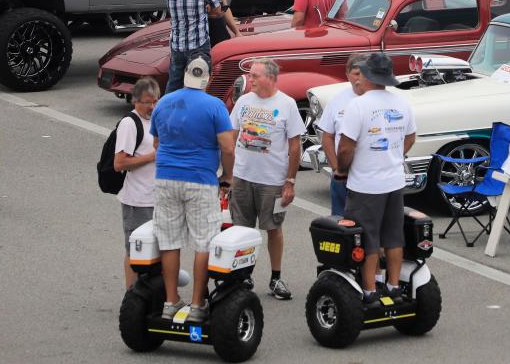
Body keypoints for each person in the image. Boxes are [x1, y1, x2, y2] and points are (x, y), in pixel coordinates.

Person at [150, 56, 235, 322]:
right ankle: (198, 305)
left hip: (166, 177)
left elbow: (156, 144)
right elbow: (228, 147)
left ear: (185, 75)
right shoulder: (215, 106)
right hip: (200, 179)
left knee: (170, 241)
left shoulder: (163, 102)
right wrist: (227, 176)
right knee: (204, 242)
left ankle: (170, 300)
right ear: (206, 79)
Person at [336, 52, 416, 305]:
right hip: (393, 180)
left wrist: (342, 169)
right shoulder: (402, 103)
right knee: (393, 237)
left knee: (368, 238)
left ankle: (370, 290)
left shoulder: (357, 105)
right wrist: (393, 155)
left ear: (368, 75)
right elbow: (411, 137)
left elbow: (346, 147)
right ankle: (393, 285)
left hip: (365, 184)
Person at [229, 58, 303, 301]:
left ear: (270, 78)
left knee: (273, 228)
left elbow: (295, 146)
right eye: (250, 76)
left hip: (272, 181)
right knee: (241, 229)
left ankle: (275, 277)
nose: (249, 80)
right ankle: (243, 275)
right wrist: (227, 175)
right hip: (242, 177)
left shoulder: (287, 104)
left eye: (254, 76)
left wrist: (289, 181)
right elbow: (232, 137)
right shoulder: (243, 101)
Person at [115, 76, 158, 289]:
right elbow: (120, 163)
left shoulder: (157, 120)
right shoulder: (129, 124)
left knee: (155, 250)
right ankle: (132, 297)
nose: (152, 106)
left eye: (155, 101)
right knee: (135, 250)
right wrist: (151, 157)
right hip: (137, 201)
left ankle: (148, 293)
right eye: (147, 102)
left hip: (157, 199)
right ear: (135, 101)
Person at [164, 0, 222, 94]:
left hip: (177, 45)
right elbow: (218, 9)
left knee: (174, 84)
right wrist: (206, 9)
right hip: (198, 45)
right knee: (198, 84)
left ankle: (167, 110)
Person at [315, 54, 364, 216]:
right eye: (356, 73)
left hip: (369, 176)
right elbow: (327, 136)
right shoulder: (337, 100)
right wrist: (336, 168)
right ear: (347, 74)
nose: (360, 78)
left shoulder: (378, 98)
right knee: (341, 226)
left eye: (364, 73)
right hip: (342, 176)